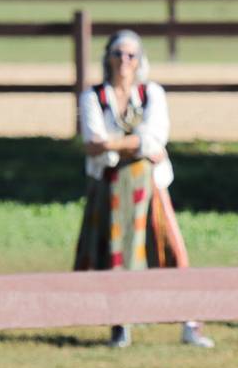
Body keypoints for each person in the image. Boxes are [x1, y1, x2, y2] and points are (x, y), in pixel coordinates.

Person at [74, 30, 214, 349]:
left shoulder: (151, 93)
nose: (124, 61)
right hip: (109, 189)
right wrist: (133, 146)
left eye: (131, 55)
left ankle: (189, 324)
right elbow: (95, 145)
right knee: (113, 255)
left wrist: (114, 144)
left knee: (169, 250)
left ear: (139, 60)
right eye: (118, 54)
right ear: (108, 58)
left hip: (150, 187)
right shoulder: (94, 96)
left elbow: (154, 139)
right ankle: (120, 324)